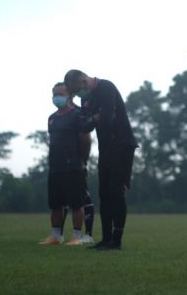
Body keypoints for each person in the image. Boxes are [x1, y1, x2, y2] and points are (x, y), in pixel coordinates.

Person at [64, 70, 138, 250]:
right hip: (105, 148)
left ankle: (116, 240)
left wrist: (94, 119)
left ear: (83, 81)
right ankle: (106, 239)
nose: (76, 96)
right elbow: (82, 126)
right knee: (104, 194)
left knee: (116, 192)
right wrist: (95, 118)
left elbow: (106, 121)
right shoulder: (85, 99)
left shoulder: (106, 87)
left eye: (76, 90)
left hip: (121, 145)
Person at [39, 82, 92, 246]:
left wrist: (83, 160)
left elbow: (85, 139)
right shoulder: (52, 118)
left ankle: (76, 236)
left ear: (70, 96)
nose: (57, 98)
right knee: (55, 204)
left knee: (77, 204)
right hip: (55, 166)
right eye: (55, 94)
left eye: (61, 94)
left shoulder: (78, 115)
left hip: (74, 166)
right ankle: (56, 236)